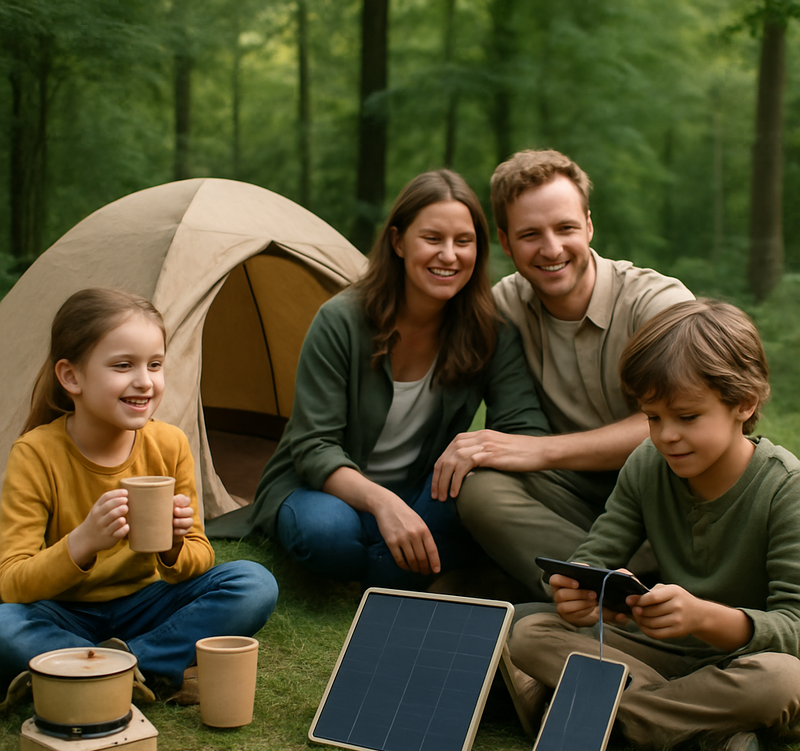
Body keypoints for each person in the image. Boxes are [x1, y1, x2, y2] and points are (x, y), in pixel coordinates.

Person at [507, 299, 800, 751]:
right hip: (656, 654)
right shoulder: (647, 463)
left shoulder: (785, 488)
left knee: (782, 681)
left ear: (744, 403)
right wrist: (579, 589)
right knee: (530, 635)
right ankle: (704, 738)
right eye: (652, 417)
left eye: (687, 416)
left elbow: (794, 630)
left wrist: (707, 618)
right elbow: (598, 552)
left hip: (741, 664)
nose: (667, 436)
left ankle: (582, 710)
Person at [248, 169, 549, 590]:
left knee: (479, 509)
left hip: (423, 492)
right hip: (326, 490)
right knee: (328, 535)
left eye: (464, 241)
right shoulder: (341, 320)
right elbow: (314, 447)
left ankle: (385, 560)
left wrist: (476, 449)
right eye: (432, 239)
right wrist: (382, 503)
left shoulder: (491, 331)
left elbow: (525, 431)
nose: (449, 255)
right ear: (398, 242)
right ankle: (394, 559)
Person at [432, 149, 693, 598]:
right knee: (480, 491)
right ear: (506, 241)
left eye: (566, 228)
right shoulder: (503, 306)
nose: (551, 249)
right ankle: (610, 594)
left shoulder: (658, 304)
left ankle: (604, 588)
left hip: (668, 499)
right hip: (572, 497)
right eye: (530, 234)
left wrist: (541, 451)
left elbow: (683, 423)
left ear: (589, 225)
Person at [0, 288, 278, 710]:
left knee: (253, 583)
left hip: (149, 608)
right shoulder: (36, 453)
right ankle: (141, 670)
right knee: (4, 624)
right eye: (123, 365)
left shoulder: (169, 444)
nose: (145, 381)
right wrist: (84, 541)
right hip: (64, 611)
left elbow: (201, 556)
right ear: (71, 377)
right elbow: (11, 581)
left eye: (155, 364)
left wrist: (173, 545)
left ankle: (102, 670)